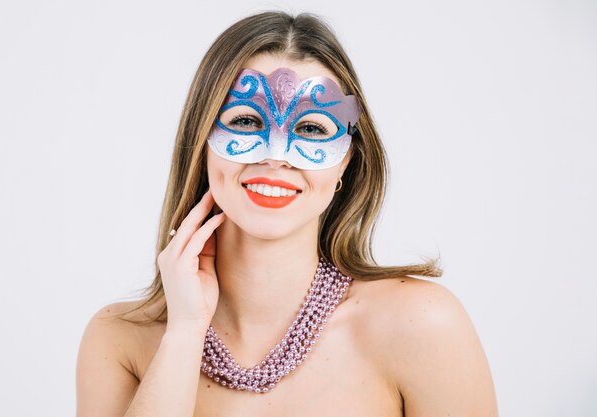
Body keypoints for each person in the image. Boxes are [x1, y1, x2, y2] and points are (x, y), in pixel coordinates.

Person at [76, 11, 498, 417]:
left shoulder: (422, 326)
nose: (277, 157)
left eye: (312, 128)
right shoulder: (118, 340)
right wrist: (184, 333)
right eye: (245, 120)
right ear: (201, 141)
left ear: (345, 162)